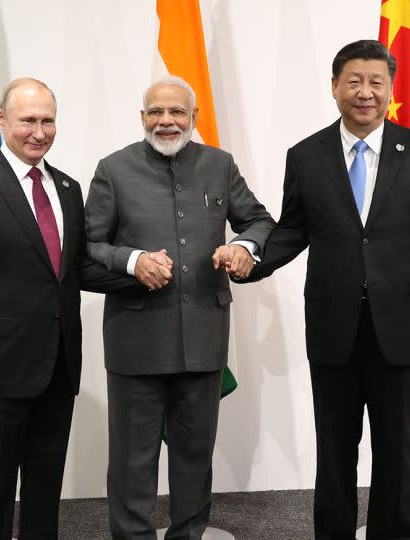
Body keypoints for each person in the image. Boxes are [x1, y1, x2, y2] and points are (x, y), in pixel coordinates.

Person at [245, 40, 410, 539]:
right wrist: (249, 260)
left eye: (376, 83)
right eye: (354, 82)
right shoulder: (305, 155)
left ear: (389, 89)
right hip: (333, 327)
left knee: (396, 452)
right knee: (335, 451)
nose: (365, 93)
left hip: (404, 326)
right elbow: (293, 231)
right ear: (336, 86)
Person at [0, 78, 144, 539]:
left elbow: (76, 270)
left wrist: (140, 276)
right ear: (2, 119)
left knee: (45, 494)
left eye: (48, 120)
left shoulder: (66, 187)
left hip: (58, 367)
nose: (39, 131)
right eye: (28, 119)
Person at [84, 76, 275, 539]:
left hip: (204, 340)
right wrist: (132, 261)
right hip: (137, 343)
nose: (166, 121)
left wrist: (245, 247)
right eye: (155, 112)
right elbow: (89, 244)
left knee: (194, 458)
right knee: (133, 461)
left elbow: (259, 220)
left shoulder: (220, 165)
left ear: (194, 118)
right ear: (142, 118)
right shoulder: (113, 169)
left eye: (177, 112)